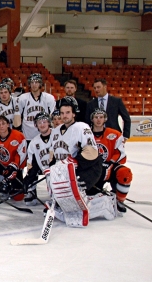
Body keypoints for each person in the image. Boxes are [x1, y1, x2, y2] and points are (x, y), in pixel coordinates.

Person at [48, 97, 117, 227]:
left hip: (89, 168)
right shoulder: (56, 131)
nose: (64, 116)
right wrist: (51, 169)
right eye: (62, 113)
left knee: (74, 195)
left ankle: (105, 204)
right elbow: (53, 156)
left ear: (74, 113)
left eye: (68, 112)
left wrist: (73, 161)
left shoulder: (81, 127)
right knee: (60, 195)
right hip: (67, 171)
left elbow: (91, 152)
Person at [90, 108, 132, 213]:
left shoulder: (115, 134)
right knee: (92, 194)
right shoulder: (86, 134)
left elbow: (120, 153)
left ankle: (119, 200)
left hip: (110, 168)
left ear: (105, 119)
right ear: (92, 119)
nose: (98, 120)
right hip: (93, 171)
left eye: (101, 117)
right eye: (96, 117)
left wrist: (109, 163)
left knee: (125, 173)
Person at [14, 73, 56, 142]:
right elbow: (17, 117)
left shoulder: (49, 98)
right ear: (29, 84)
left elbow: (52, 117)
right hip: (27, 136)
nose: (34, 84)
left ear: (40, 84)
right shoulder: (22, 98)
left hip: (45, 135)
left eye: (36, 82)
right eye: (32, 82)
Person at [23, 111, 54, 206]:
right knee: (29, 174)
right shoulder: (33, 142)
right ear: (36, 125)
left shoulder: (58, 135)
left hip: (58, 170)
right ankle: (32, 192)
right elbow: (30, 163)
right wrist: (28, 180)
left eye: (44, 122)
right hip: (44, 169)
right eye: (39, 122)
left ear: (49, 122)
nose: (42, 124)